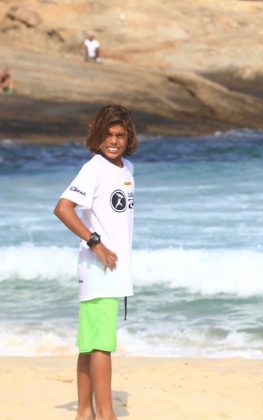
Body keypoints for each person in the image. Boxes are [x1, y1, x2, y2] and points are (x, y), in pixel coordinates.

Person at [54, 105, 138, 420]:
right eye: (108, 135)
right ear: (97, 136)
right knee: (102, 344)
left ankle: (84, 412)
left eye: (119, 135)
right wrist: (96, 243)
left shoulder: (127, 168)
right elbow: (63, 208)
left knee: (90, 343)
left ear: (128, 136)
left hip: (114, 270)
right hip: (97, 267)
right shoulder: (95, 167)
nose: (113, 141)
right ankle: (106, 414)